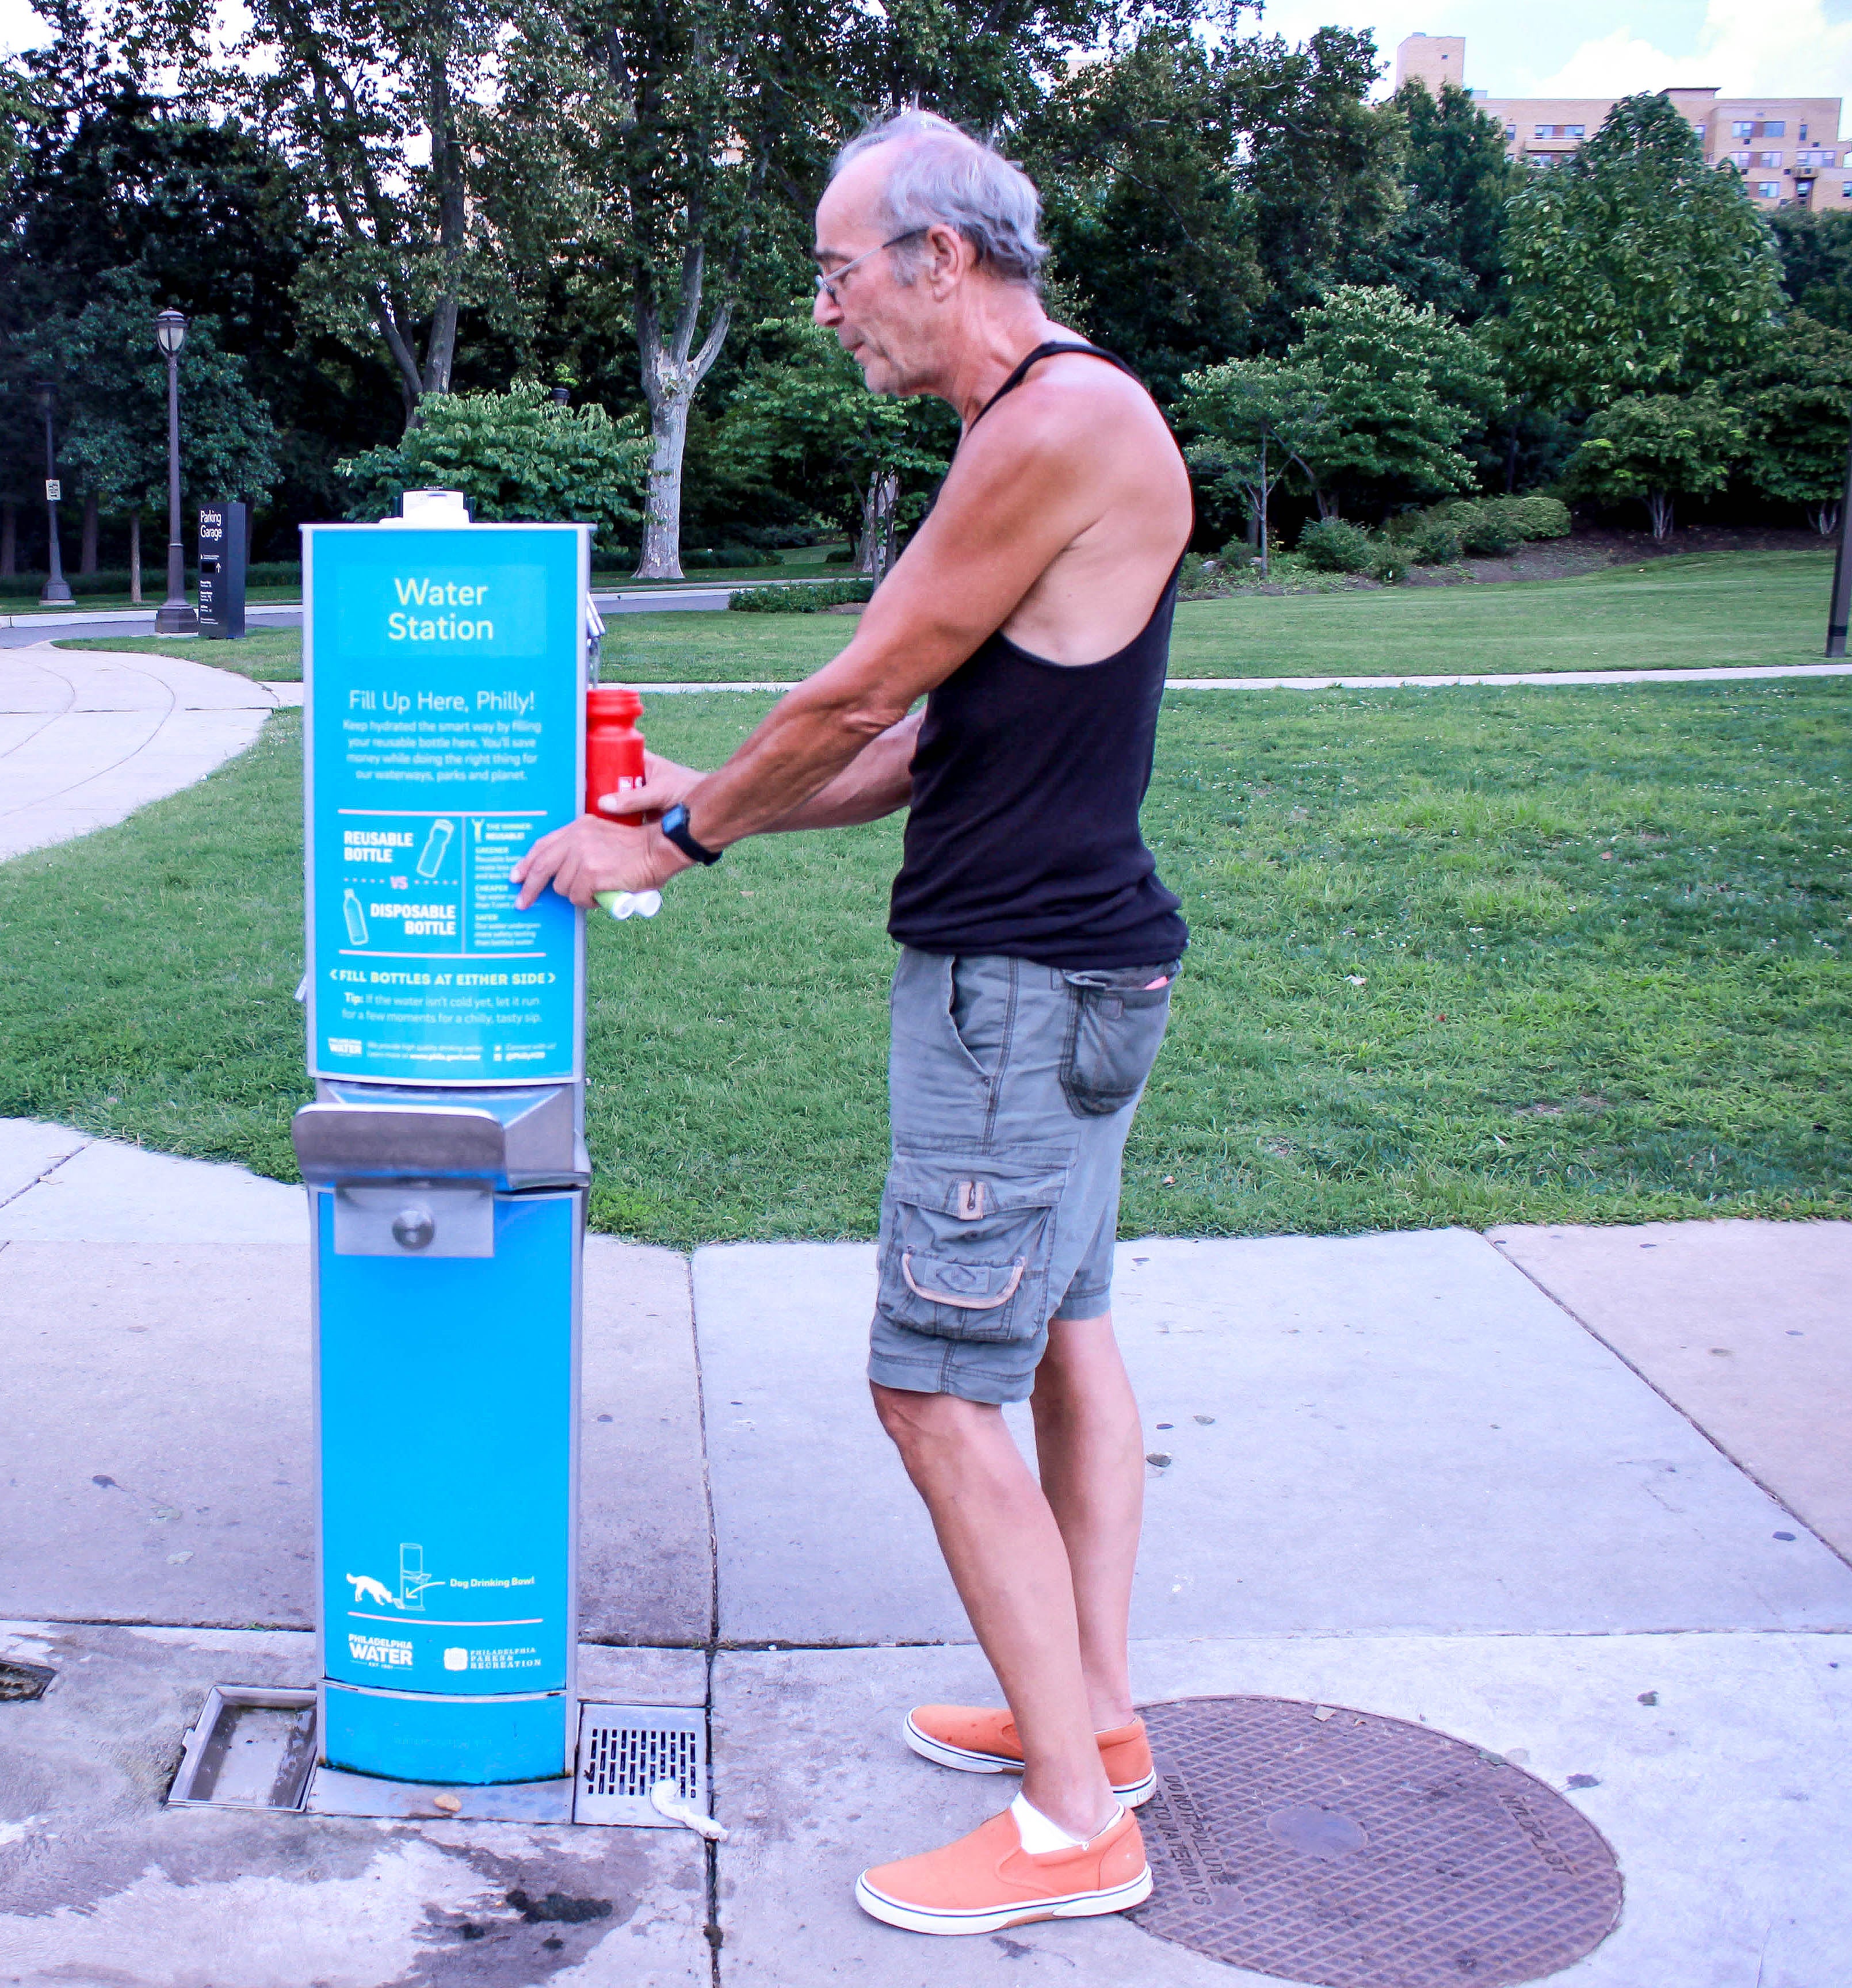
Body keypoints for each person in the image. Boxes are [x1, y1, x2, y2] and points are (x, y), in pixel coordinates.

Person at [511, 110, 1193, 1937]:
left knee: (926, 1383)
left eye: (830, 275)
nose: (822, 313)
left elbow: (864, 677)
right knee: (1058, 1337)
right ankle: (1095, 1725)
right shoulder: (1045, 425)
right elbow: (910, 751)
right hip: (1081, 969)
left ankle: (1069, 1826)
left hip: (1015, 989)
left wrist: (682, 834)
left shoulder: (1054, 422)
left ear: (936, 260)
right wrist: (678, 808)